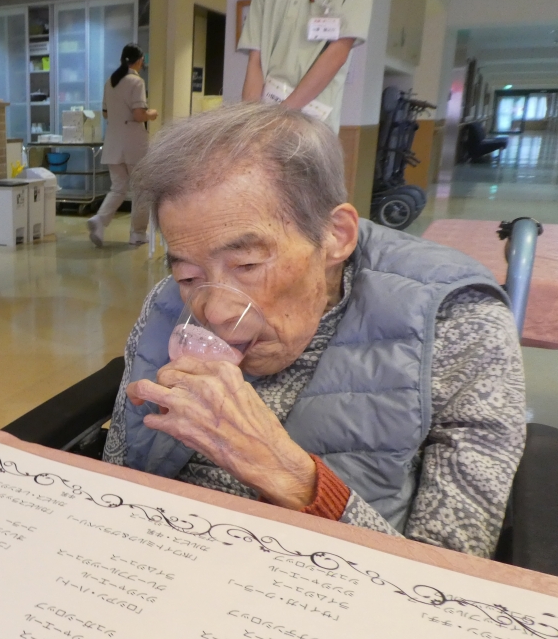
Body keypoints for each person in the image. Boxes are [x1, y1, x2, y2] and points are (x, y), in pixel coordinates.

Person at [104, 103, 526, 558]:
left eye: (247, 265)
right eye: (188, 274)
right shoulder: (169, 303)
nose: (216, 312)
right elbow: (118, 471)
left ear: (335, 235)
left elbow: (447, 578)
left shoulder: (458, 322)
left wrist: (290, 477)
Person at [239, 0, 376, 133]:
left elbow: (338, 53)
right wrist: (250, 125)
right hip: (266, 114)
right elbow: (255, 61)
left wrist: (282, 116)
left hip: (312, 121)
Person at [87, 44, 158, 248]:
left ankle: (100, 220)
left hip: (113, 141)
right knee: (141, 189)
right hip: (133, 142)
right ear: (140, 60)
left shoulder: (111, 82)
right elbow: (139, 114)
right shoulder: (136, 82)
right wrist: (151, 114)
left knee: (118, 187)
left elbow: (105, 113)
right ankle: (137, 233)